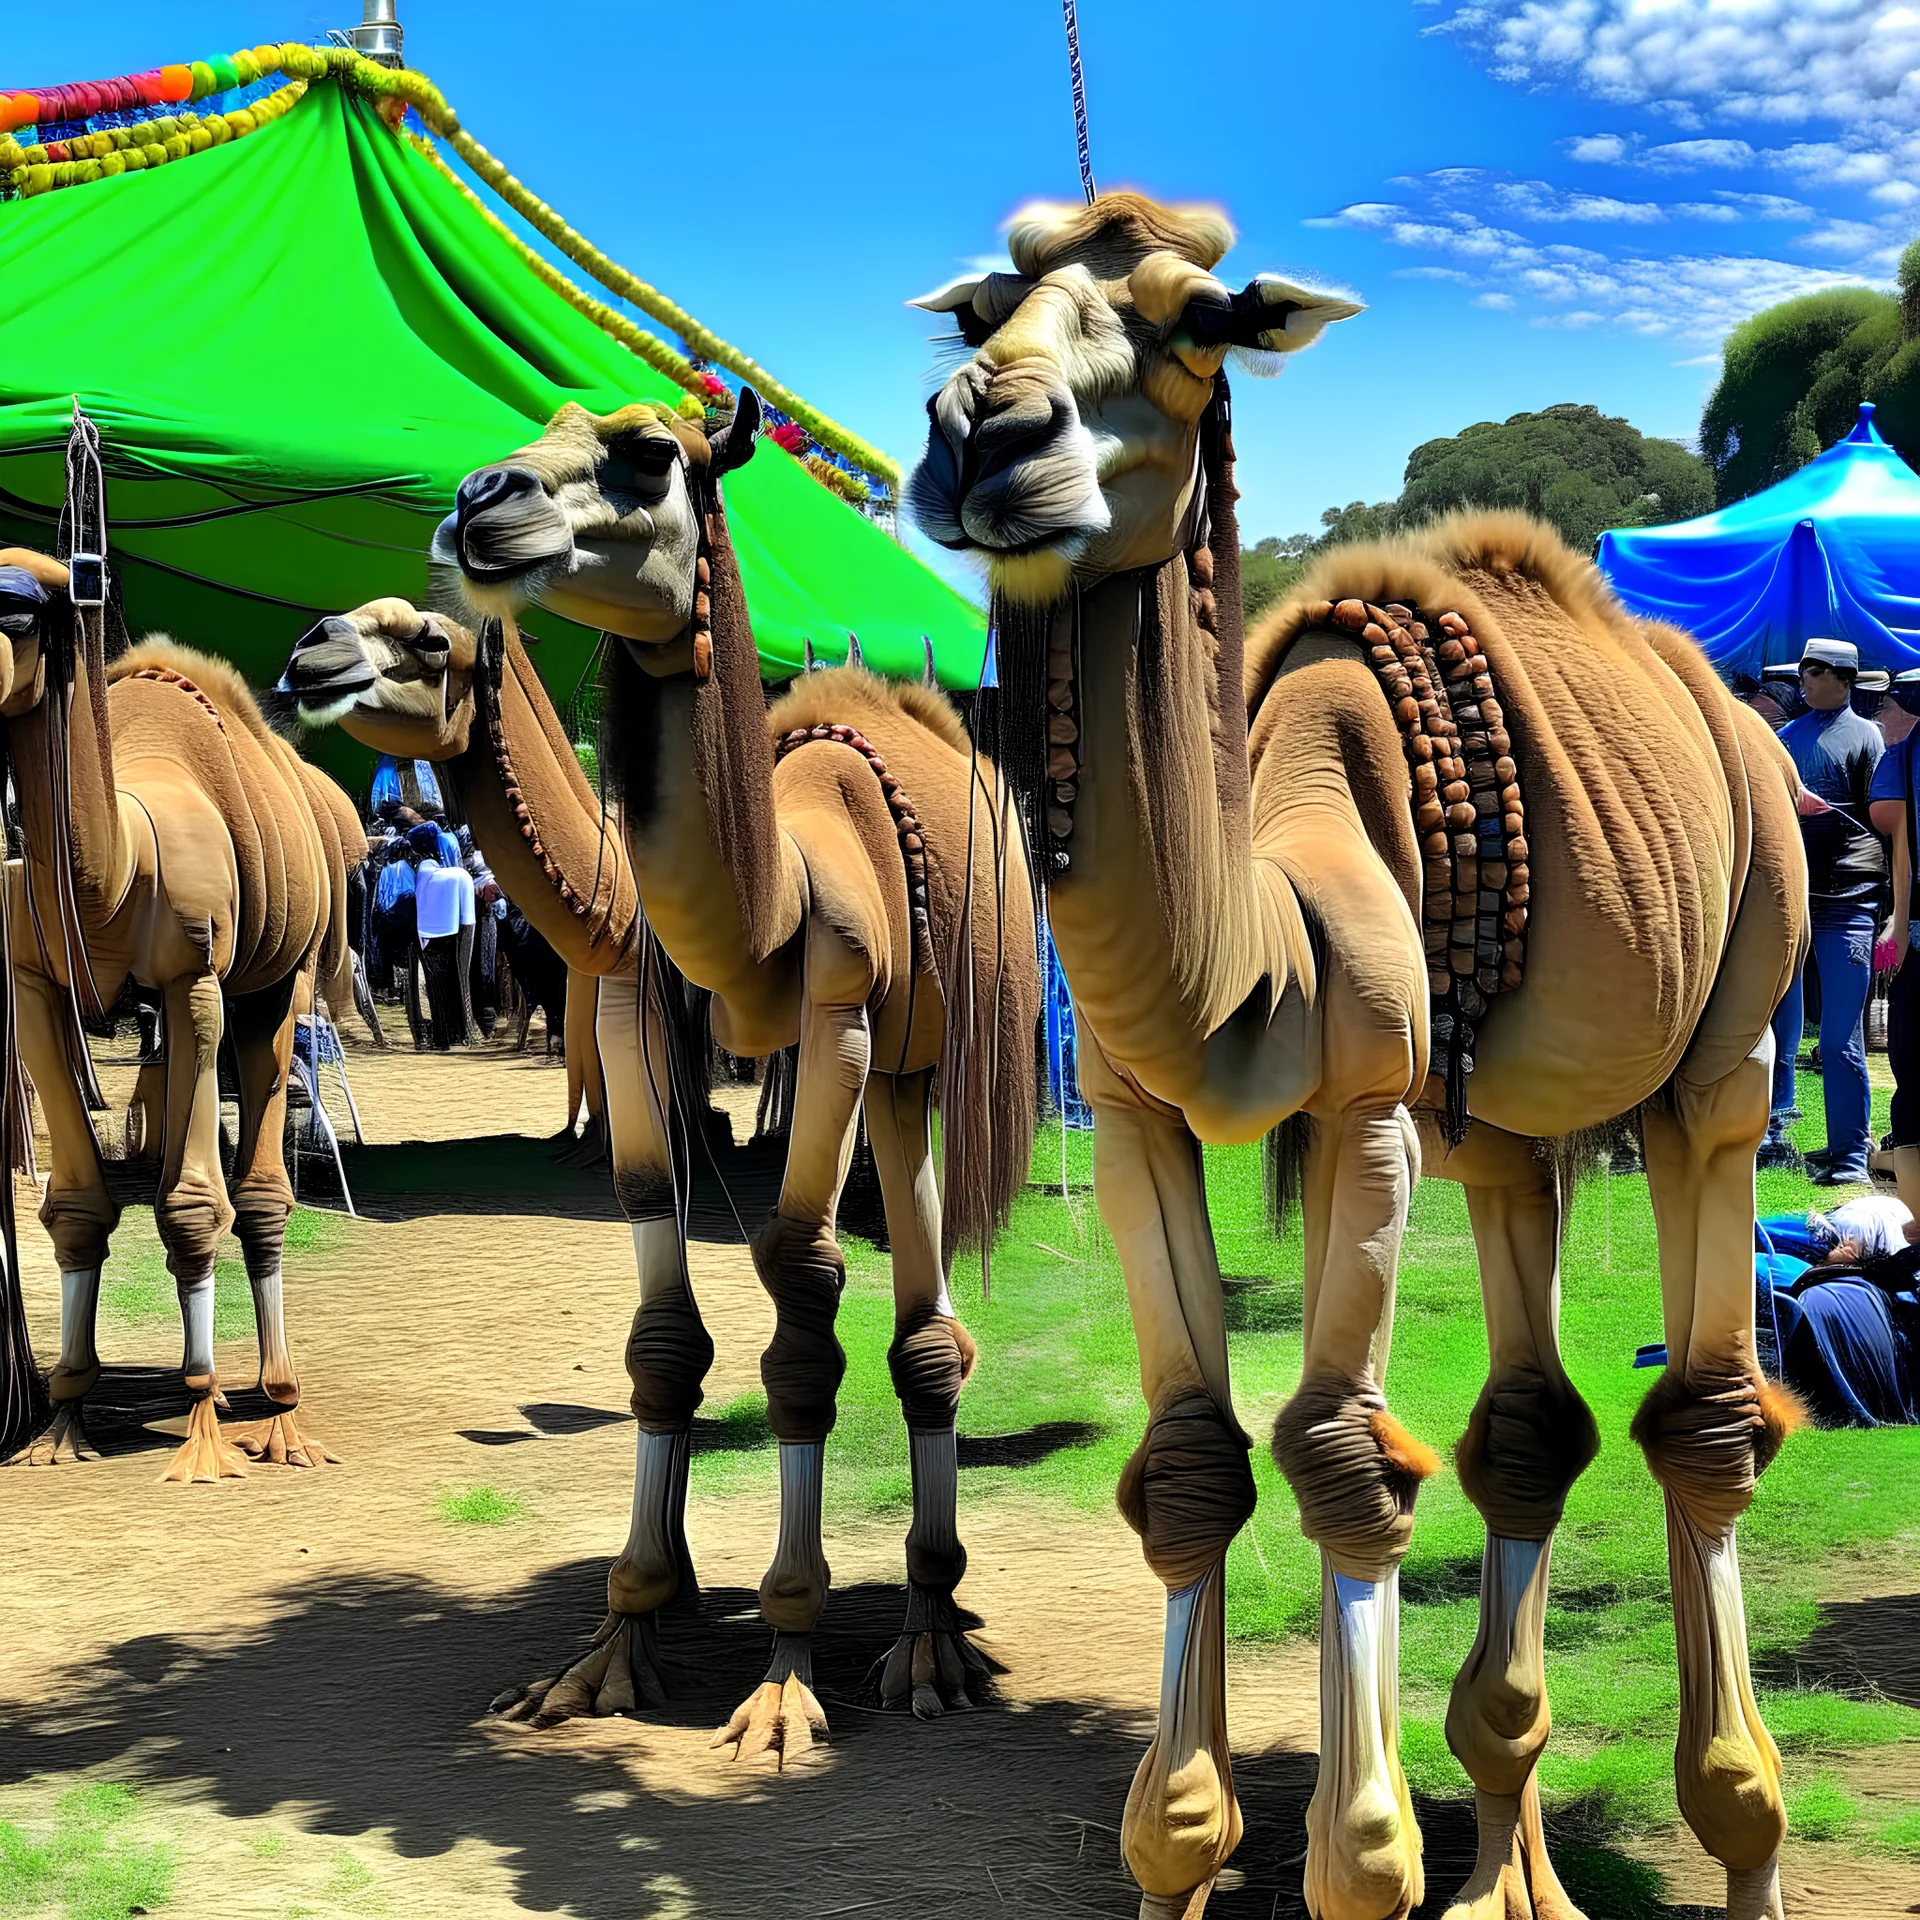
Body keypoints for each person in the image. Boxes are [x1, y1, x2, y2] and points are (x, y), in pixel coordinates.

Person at [1761, 638, 1886, 1182]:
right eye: (1803, 670)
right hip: (1792, 903)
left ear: (1845, 677)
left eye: (1815, 671)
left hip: (1849, 905)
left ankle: (1852, 1155)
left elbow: (1883, 823)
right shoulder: (1785, 739)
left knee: (1838, 1038)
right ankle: (1774, 1132)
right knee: (1779, 1029)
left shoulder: (1868, 737)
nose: (1804, 680)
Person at [1870, 667, 1920, 1218]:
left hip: (1914, 936)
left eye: (1890, 705)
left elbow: (1892, 833)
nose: (1882, 716)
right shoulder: (1902, 759)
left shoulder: (1903, 759)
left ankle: (1915, 1216)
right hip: (1911, 930)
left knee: (1913, 1069)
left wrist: (1899, 924)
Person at [408, 820, 476, 1048]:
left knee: (440, 990)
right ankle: (456, 1037)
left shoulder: (425, 870)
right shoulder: (436, 871)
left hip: (433, 937)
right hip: (448, 934)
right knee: (453, 986)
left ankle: (445, 1039)